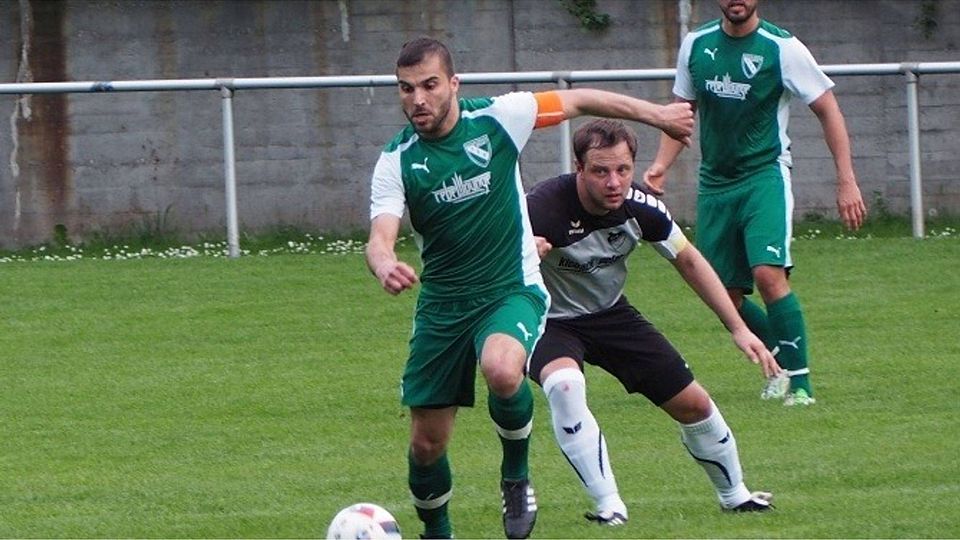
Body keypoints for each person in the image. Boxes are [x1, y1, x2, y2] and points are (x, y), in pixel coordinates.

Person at [364, 37, 694, 539]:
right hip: (443, 306)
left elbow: (580, 100)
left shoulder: (500, 118)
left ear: (453, 84)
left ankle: (515, 475)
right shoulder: (397, 161)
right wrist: (385, 263)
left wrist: (658, 115)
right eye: (406, 89)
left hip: (509, 288)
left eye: (430, 85)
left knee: (502, 367)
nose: (418, 100)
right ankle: (438, 533)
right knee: (427, 446)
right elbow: (379, 237)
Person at [526, 118, 781, 525]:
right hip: (546, 319)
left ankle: (736, 496)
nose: (614, 182)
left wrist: (738, 328)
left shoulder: (641, 207)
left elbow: (689, 260)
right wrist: (524, 254)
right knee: (566, 385)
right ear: (579, 168)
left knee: (694, 403)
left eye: (623, 170)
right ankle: (610, 506)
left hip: (611, 314)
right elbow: (488, 263)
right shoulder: (540, 208)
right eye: (601, 171)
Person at [643, 0, 867, 406]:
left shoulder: (781, 48)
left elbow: (828, 108)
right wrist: (659, 166)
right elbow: (681, 113)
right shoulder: (696, 45)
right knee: (723, 294)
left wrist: (846, 180)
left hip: (764, 175)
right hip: (714, 184)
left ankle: (801, 386)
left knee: (767, 274)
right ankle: (780, 362)